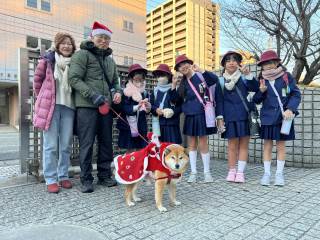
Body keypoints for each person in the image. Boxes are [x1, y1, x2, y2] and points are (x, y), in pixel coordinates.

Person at [69, 21, 122, 193]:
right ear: (92, 37)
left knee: (107, 142)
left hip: (105, 106)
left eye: (107, 38)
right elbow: (74, 79)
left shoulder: (109, 60)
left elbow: (115, 81)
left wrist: (118, 92)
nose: (104, 41)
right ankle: (86, 179)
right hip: (87, 106)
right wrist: (93, 95)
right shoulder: (82, 55)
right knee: (87, 143)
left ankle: (105, 175)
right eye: (100, 37)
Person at [33, 32, 76, 193]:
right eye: (63, 43)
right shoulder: (47, 60)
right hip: (51, 106)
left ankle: (63, 175)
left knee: (65, 145)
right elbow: (37, 83)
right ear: (57, 45)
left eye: (69, 43)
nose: (66, 46)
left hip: (69, 108)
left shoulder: (75, 63)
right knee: (50, 145)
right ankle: (50, 178)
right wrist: (44, 99)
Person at [253, 50, 301, 186]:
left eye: (269, 62)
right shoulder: (261, 79)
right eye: (264, 63)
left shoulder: (286, 77)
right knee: (267, 146)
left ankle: (279, 174)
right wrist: (261, 92)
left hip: (283, 118)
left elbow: (296, 94)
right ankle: (267, 174)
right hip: (268, 117)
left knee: (281, 146)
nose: (267, 66)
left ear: (276, 62)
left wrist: (290, 109)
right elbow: (256, 100)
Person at [171, 55, 219, 183]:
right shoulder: (183, 83)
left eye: (184, 64)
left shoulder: (200, 76)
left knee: (203, 143)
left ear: (189, 63)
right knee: (191, 145)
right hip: (190, 116)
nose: (183, 67)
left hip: (202, 114)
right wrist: (173, 85)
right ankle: (193, 172)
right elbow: (175, 100)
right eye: (180, 66)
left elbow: (214, 80)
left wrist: (202, 70)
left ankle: (207, 173)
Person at [215, 51, 259, 183]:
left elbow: (255, 88)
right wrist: (220, 117)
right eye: (228, 60)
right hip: (229, 117)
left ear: (239, 63)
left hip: (244, 116)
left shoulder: (244, 78)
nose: (231, 62)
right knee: (232, 146)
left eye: (234, 60)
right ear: (224, 64)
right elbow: (219, 100)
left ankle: (240, 172)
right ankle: (231, 171)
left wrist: (248, 75)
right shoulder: (221, 81)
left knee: (244, 145)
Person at [116, 64, 150, 152]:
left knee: (140, 149)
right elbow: (124, 108)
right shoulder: (126, 92)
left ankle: (138, 166)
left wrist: (148, 108)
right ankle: (128, 166)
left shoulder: (144, 93)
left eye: (141, 79)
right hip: (128, 125)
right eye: (137, 79)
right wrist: (137, 107)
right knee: (130, 150)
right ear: (131, 79)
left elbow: (147, 111)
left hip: (141, 125)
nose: (140, 81)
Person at [150, 64, 182, 144]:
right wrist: (156, 110)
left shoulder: (176, 88)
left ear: (168, 76)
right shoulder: (155, 91)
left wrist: (173, 112)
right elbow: (151, 105)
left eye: (163, 75)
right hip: (158, 125)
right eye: (158, 75)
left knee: (173, 148)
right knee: (159, 148)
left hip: (172, 125)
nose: (160, 78)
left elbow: (180, 105)